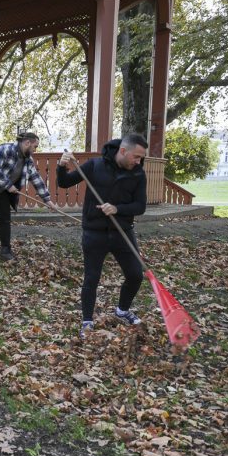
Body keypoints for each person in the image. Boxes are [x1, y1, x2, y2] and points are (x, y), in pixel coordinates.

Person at [57, 133, 148, 339]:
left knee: (135, 275)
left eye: (141, 158)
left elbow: (140, 206)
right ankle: (87, 321)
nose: (138, 161)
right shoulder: (95, 166)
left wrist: (117, 208)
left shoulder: (138, 174)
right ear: (123, 151)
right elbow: (64, 183)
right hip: (94, 232)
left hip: (123, 232)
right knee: (92, 278)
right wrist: (62, 166)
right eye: (136, 156)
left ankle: (122, 310)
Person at [0, 132, 56, 265]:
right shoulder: (4, 149)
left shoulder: (28, 161)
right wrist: (8, 185)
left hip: (1, 191)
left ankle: (5, 251)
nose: (35, 150)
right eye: (35, 146)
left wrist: (47, 200)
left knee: (5, 219)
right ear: (27, 143)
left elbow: (36, 178)